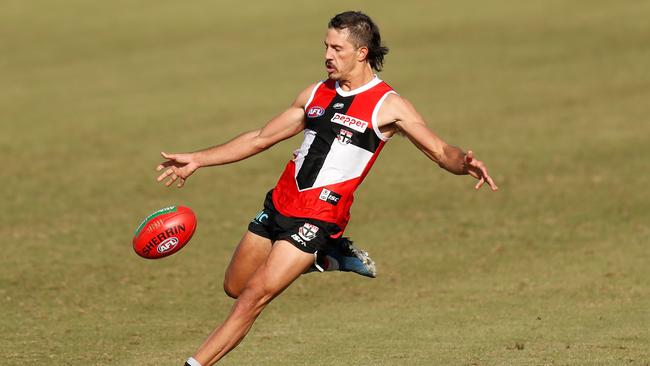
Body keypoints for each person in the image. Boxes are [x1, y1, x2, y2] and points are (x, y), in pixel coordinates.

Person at [156, 11, 498, 366]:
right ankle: (330, 256)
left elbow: (440, 151)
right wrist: (198, 159)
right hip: (279, 204)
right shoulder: (316, 93)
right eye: (326, 46)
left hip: (318, 217)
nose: (327, 55)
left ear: (362, 53)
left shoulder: (387, 105)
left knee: (253, 297)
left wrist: (464, 164)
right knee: (236, 286)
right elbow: (261, 138)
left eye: (337, 48)